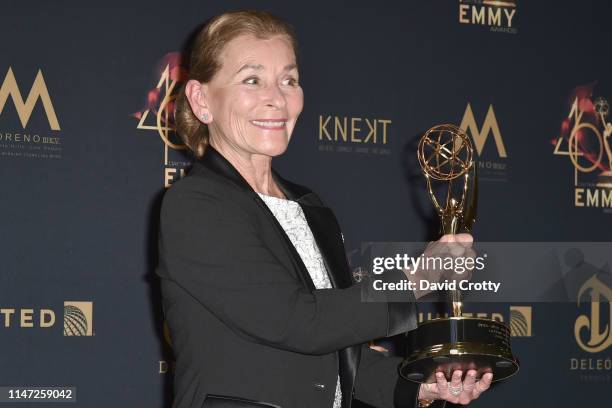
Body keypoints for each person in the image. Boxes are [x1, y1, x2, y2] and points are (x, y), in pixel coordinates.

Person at [156, 9, 492, 408]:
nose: (277, 98)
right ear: (201, 99)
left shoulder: (308, 206)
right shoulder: (195, 205)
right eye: (252, 79)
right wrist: (416, 278)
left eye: (289, 80)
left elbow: (336, 348)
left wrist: (419, 387)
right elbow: (298, 322)